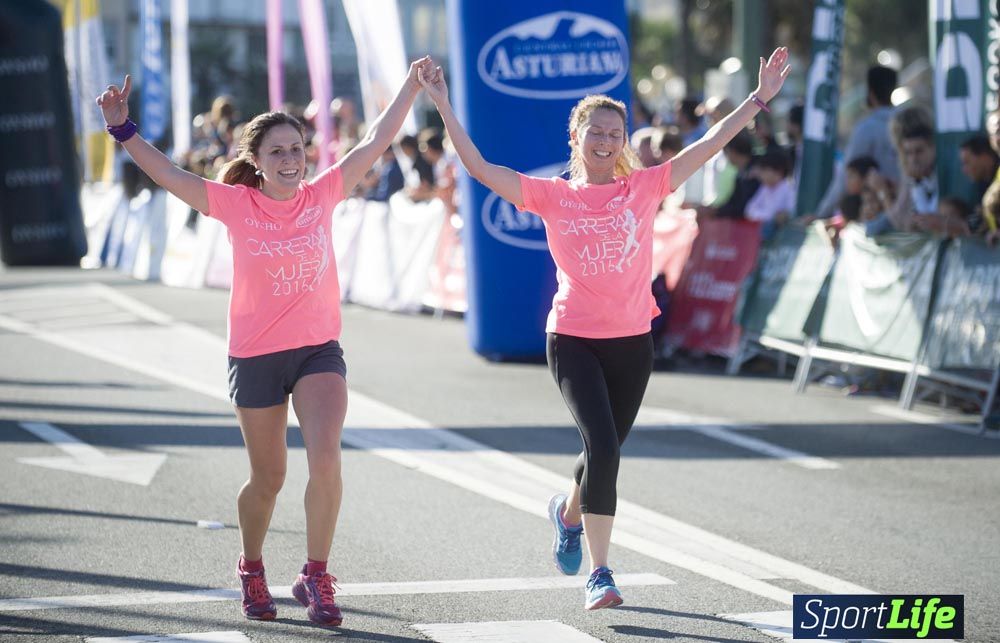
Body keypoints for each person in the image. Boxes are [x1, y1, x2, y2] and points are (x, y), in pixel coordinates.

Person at [418, 48, 790, 610]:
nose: (606, 141)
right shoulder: (551, 194)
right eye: (596, 131)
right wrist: (444, 105)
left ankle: (567, 515)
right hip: (572, 338)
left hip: (632, 340)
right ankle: (601, 572)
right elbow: (479, 168)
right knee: (602, 446)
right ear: (576, 136)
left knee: (605, 449)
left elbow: (709, 144)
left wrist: (758, 99)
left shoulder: (644, 188)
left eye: (616, 133)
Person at [96, 57, 434, 627]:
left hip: (317, 350)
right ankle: (251, 567)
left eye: (296, 149)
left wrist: (410, 84)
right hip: (255, 354)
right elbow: (170, 174)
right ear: (256, 160)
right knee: (269, 478)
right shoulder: (237, 205)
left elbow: (376, 140)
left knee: (326, 459)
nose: (290, 159)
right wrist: (122, 128)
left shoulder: (323, 194)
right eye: (277, 151)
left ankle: (316, 574)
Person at [810, 65, 900, 220]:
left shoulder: (867, 128)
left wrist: (820, 214)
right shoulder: (906, 121)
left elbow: (845, 175)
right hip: (905, 210)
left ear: (870, 92)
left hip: (877, 212)